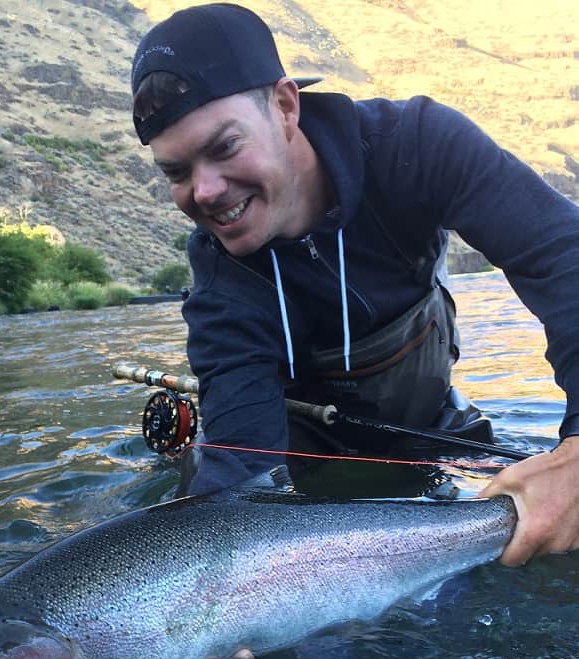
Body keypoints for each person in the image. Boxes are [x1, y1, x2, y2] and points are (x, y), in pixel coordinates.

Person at [131, 6, 579, 584]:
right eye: (176, 172)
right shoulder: (220, 281)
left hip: (437, 434)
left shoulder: (417, 145)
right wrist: (210, 595)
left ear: (286, 107)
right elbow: (244, 465)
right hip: (306, 474)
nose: (206, 191)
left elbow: (563, 257)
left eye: (223, 147)